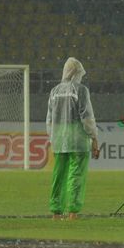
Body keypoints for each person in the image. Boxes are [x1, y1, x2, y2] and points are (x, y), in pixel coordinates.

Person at [46, 57, 100, 220]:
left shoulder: (54, 91)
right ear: (77, 73)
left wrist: (52, 138)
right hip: (77, 138)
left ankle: (56, 211)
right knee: (76, 174)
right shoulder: (81, 90)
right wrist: (94, 138)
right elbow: (86, 116)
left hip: (59, 138)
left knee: (59, 174)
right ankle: (72, 212)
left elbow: (49, 119)